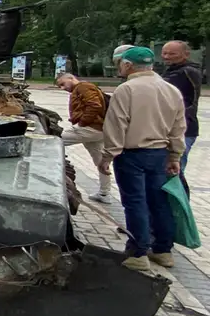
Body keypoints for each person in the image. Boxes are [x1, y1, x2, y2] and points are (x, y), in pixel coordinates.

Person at [99, 46, 186, 273]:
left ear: (127, 65)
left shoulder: (126, 90)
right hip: (159, 154)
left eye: (120, 63)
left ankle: (138, 253)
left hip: (132, 155)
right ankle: (163, 250)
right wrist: (175, 155)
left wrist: (107, 155)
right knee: (159, 202)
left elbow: (117, 125)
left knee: (135, 202)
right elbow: (178, 128)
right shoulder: (171, 90)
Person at [55, 73, 113, 202]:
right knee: (101, 162)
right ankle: (105, 194)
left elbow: (94, 105)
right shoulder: (83, 88)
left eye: (63, 84)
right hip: (99, 130)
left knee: (53, 141)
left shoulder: (83, 87)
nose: (62, 88)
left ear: (71, 78)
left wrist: (82, 122)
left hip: (90, 129)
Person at [161, 40, 201, 194]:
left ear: (186, 54)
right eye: (164, 53)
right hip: (172, 128)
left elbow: (188, 102)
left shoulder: (187, 71)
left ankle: (182, 209)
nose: (167, 56)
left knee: (175, 170)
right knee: (170, 169)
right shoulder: (171, 71)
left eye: (172, 53)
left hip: (184, 128)